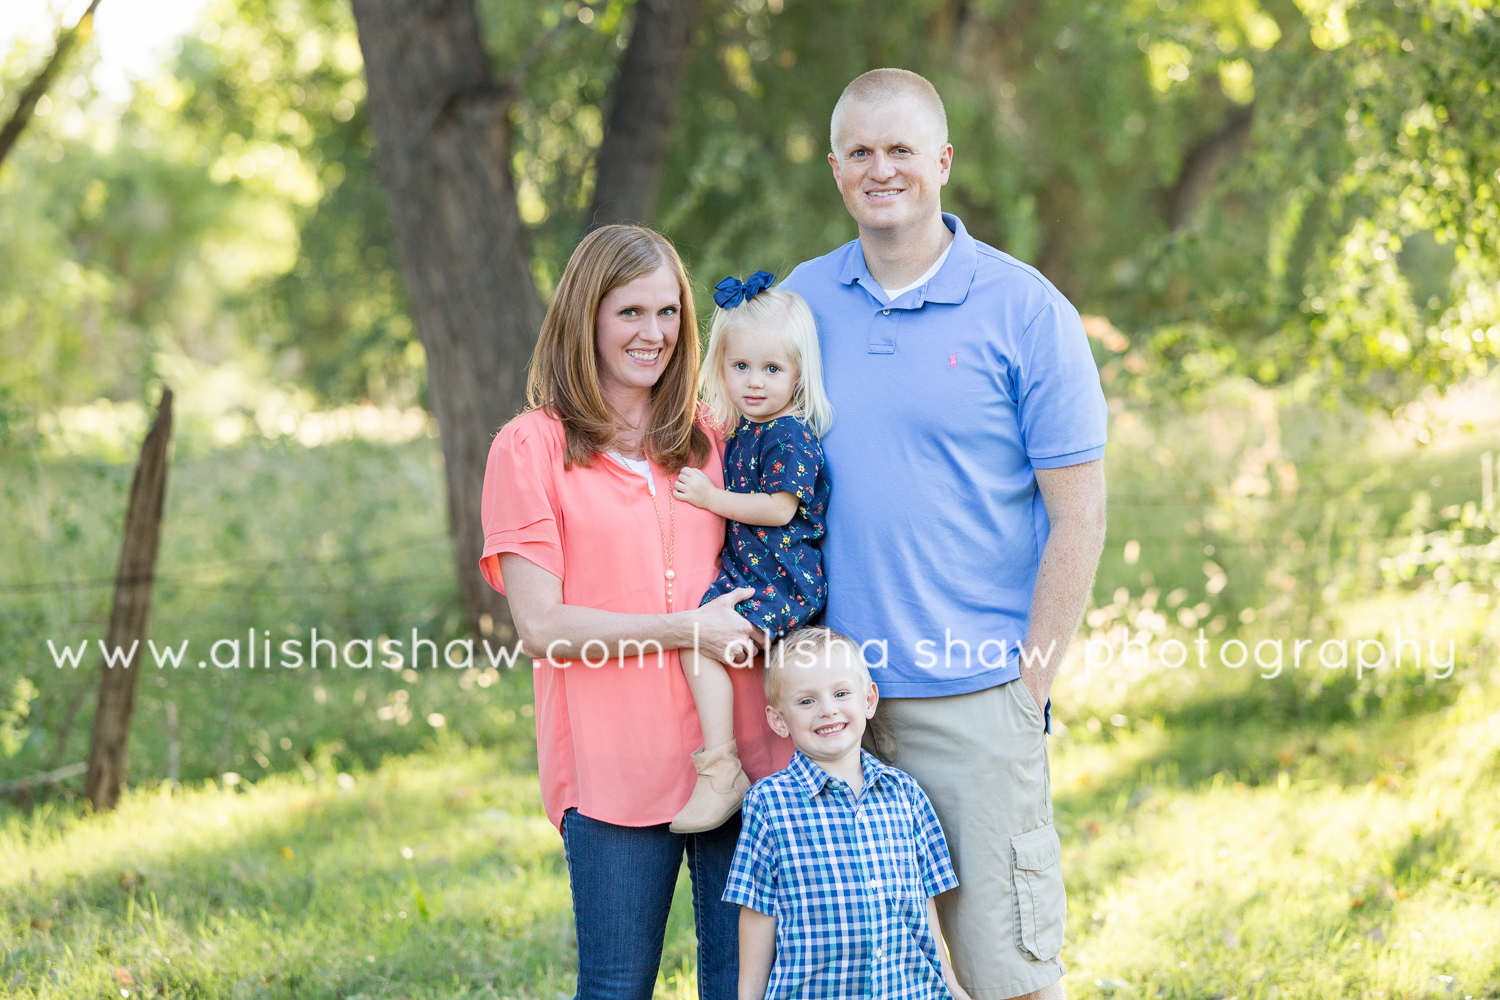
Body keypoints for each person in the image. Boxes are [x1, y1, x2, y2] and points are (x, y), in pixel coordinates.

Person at [779, 69, 1109, 1000]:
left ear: (943, 162)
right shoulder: (800, 307)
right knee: (862, 975)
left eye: (901, 150)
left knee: (1009, 973)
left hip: (976, 699)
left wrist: (1030, 680)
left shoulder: (1025, 309)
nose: (882, 170)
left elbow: (1079, 512)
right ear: (837, 168)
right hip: (837, 707)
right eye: (861, 152)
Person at [478, 224, 793, 1000]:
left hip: (741, 757)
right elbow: (542, 627)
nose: (653, 334)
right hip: (612, 767)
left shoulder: (717, 436)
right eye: (630, 313)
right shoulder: (531, 449)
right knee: (617, 987)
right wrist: (688, 629)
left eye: (667, 313)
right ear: (586, 316)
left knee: (743, 985)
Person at [667, 275, 834, 834]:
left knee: (710, 648)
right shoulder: (742, 430)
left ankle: (728, 770)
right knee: (701, 643)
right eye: (741, 368)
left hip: (781, 581)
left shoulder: (787, 436)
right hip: (751, 575)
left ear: (797, 374)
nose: (755, 383)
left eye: (772, 370)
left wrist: (712, 499)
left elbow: (781, 510)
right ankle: (728, 767)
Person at [724, 627, 971, 1000]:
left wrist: (950, 984)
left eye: (841, 694)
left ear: (869, 700)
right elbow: (758, 913)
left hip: (906, 990)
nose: (828, 709)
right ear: (778, 720)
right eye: (806, 701)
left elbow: (924, 902)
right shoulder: (769, 804)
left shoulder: (905, 795)